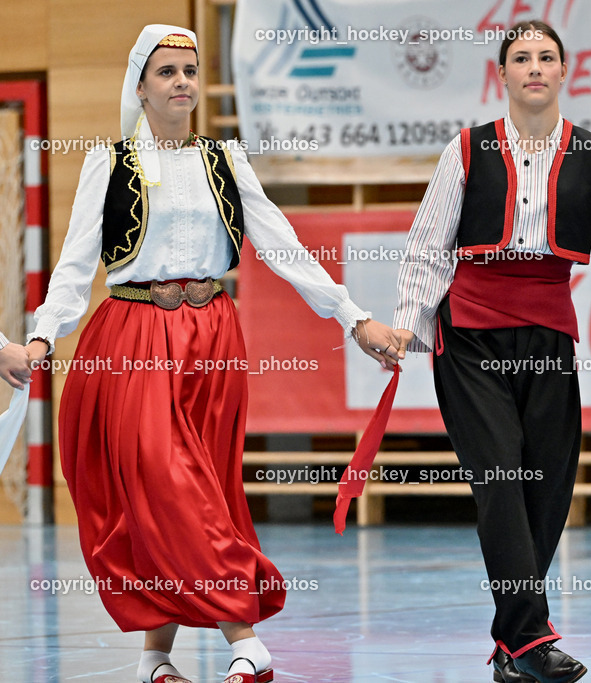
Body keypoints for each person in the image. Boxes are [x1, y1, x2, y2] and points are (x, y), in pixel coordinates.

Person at [22, 25, 399, 683]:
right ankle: (244, 634)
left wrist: (354, 315)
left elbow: (281, 244)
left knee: (202, 484)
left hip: (215, 338)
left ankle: (155, 658)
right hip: (135, 336)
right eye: (166, 72)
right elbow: (76, 263)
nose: (182, 83)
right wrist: (43, 335)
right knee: (165, 478)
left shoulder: (225, 159)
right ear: (139, 85)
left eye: (190, 71)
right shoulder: (107, 161)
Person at [392, 19, 591, 683]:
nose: (535, 67)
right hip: (468, 333)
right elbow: (428, 246)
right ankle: (531, 638)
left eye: (547, 56)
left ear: (563, 69)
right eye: (522, 57)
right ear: (503, 73)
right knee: (501, 479)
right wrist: (407, 321)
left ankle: (512, 649)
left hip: (549, 331)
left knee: (547, 486)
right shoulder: (465, 150)